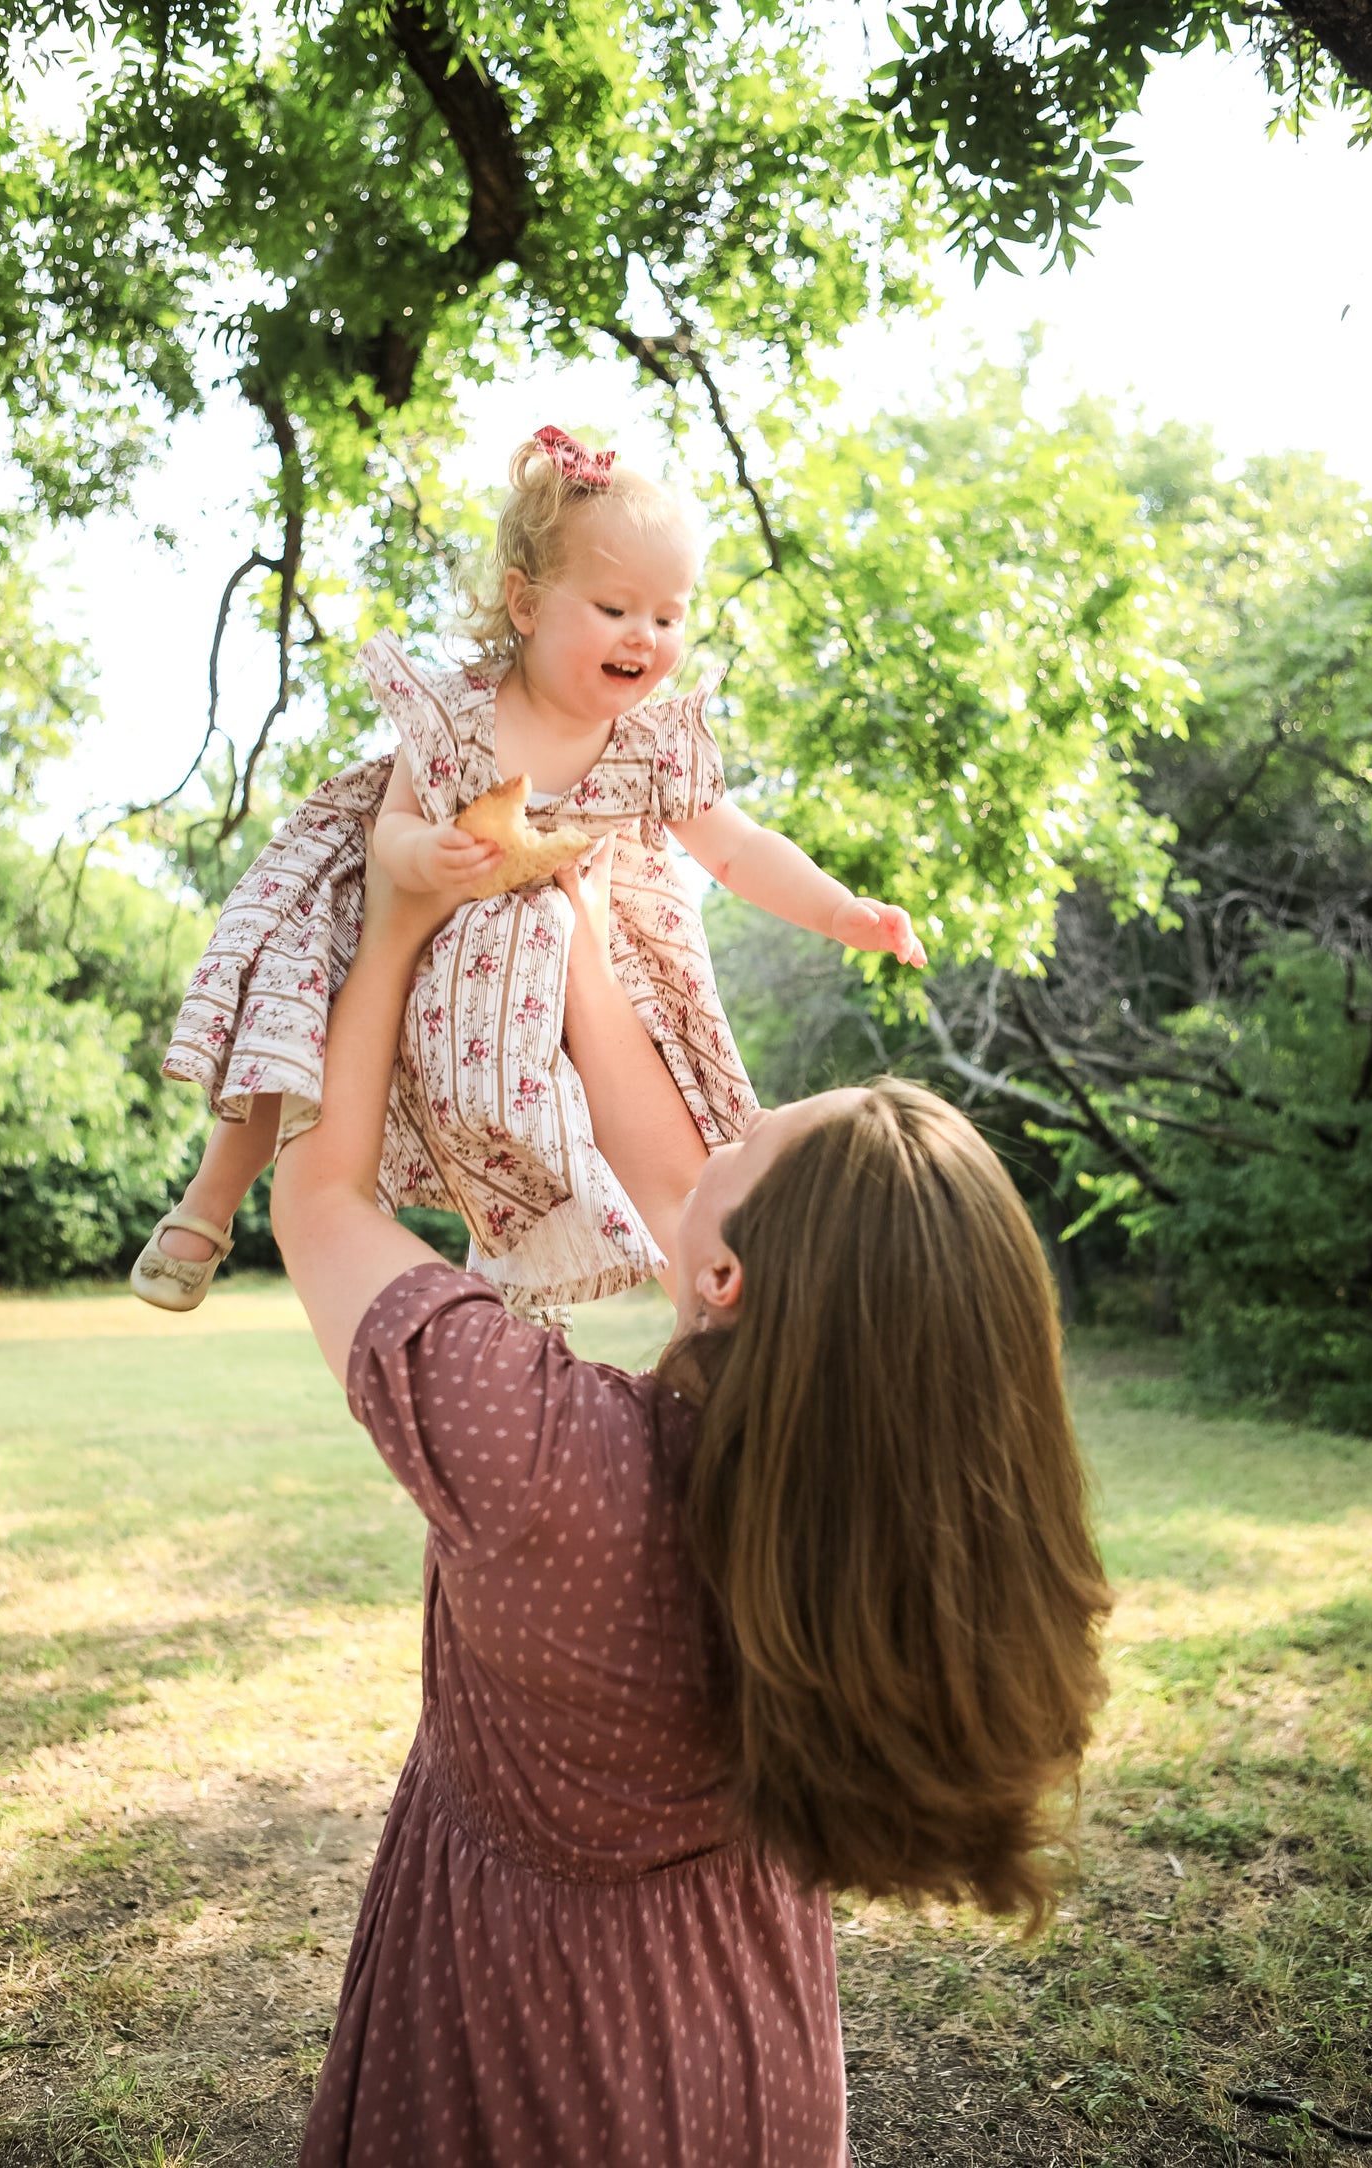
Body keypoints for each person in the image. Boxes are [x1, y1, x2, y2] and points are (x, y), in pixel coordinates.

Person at [269, 836, 1111, 2167]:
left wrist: (394, 923)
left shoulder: (533, 1449)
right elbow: (684, 1188)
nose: (718, 1135)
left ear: (721, 1280)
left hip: (513, 2029)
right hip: (749, 2038)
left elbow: (316, 1195)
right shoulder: (869, 1524)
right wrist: (578, 920)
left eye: (751, 1135)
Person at [132, 424, 926, 1322]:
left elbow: (739, 850)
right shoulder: (462, 714)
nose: (646, 636)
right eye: (616, 608)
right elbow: (392, 824)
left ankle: (550, 1274)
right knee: (296, 1020)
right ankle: (209, 1201)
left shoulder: (650, 746)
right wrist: (422, 855)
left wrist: (839, 912)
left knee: (626, 1088)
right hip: (416, 908)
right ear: (525, 605)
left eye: (668, 616)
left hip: (551, 954)